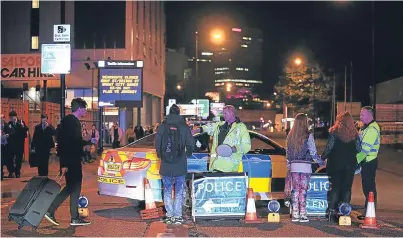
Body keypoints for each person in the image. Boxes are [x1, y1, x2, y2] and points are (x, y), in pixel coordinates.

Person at [44, 98, 92, 226]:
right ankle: (50, 210)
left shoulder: (66, 121)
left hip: (70, 159)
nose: (85, 111)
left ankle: (74, 217)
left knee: (74, 187)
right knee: (72, 187)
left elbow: (61, 142)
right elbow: (70, 142)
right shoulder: (73, 122)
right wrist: (88, 142)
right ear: (80, 109)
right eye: (85, 109)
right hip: (72, 160)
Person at [155, 104, 194, 225]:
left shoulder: (162, 126)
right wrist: (187, 155)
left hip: (166, 164)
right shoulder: (184, 127)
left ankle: (169, 215)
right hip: (180, 163)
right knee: (179, 190)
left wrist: (161, 156)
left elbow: (157, 144)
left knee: (166, 190)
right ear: (179, 113)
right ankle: (177, 216)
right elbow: (191, 143)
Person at [322, 112, 361, 222]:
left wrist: (323, 157)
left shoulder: (334, 132)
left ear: (339, 120)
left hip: (335, 164)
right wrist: (357, 162)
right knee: (347, 189)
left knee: (335, 188)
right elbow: (359, 149)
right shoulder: (355, 134)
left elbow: (329, 148)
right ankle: (344, 213)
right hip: (350, 165)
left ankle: (331, 212)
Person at [286, 113, 324, 223]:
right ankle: (303, 214)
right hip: (306, 166)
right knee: (303, 191)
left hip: (294, 166)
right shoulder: (308, 135)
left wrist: (289, 166)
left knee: (295, 190)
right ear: (305, 122)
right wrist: (320, 161)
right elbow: (313, 152)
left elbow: (288, 153)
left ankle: (295, 214)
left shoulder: (290, 135)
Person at [193, 105, 251, 172]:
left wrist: (234, 149)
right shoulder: (219, 125)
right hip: (215, 166)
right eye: (223, 113)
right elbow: (207, 128)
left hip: (229, 168)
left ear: (232, 113)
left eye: (225, 113)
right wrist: (196, 130)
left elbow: (246, 146)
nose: (223, 115)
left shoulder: (241, 128)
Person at [356, 106, 380, 220]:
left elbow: (364, 150)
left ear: (370, 115)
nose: (360, 117)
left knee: (369, 188)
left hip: (369, 161)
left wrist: (353, 162)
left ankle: (370, 212)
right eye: (360, 115)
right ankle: (368, 211)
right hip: (366, 162)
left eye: (363, 115)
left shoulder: (372, 129)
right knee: (367, 188)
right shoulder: (365, 128)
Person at [7, 111, 28, 178]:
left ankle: (17, 172)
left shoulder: (21, 122)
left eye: (13, 117)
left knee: (18, 159)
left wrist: (22, 126)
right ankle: (11, 171)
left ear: (16, 116)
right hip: (11, 144)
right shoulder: (9, 123)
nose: (12, 118)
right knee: (9, 159)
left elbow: (26, 130)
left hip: (19, 144)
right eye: (10, 117)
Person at [1, 114, 11, 180]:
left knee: (5, 160)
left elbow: (12, 132)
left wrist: (8, 135)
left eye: (2, 118)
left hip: (5, 146)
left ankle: (11, 172)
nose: (1, 119)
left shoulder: (7, 125)